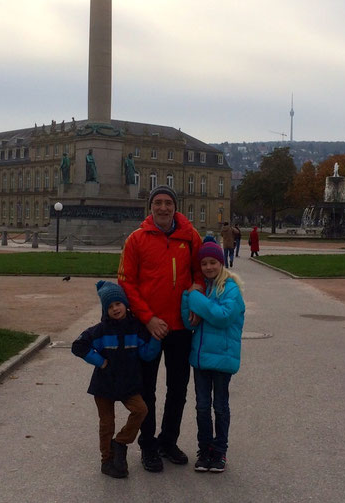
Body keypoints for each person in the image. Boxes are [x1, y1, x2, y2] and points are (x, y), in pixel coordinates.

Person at [118, 185, 203, 473]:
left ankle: (169, 441)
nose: (163, 208)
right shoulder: (136, 239)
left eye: (168, 202)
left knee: (178, 389)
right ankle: (148, 445)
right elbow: (127, 283)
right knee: (147, 391)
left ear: (175, 207)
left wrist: (196, 294)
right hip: (149, 327)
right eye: (158, 202)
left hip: (180, 327)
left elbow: (200, 272)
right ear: (150, 207)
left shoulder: (190, 237)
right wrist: (148, 318)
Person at [72, 280, 161, 479]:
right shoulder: (100, 330)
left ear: (125, 304)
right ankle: (107, 461)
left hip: (128, 383)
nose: (115, 309)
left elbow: (146, 355)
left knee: (141, 410)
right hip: (104, 384)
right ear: (105, 309)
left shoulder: (136, 328)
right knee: (106, 423)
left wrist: (156, 339)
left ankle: (120, 443)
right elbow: (78, 346)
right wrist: (100, 361)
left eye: (118, 304)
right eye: (110, 306)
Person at [181, 237, 245, 473]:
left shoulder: (230, 289)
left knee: (220, 406)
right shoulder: (203, 288)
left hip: (222, 358)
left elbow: (221, 316)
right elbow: (187, 322)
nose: (208, 267)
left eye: (213, 262)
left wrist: (194, 297)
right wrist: (189, 298)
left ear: (221, 263)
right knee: (201, 406)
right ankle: (205, 449)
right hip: (200, 359)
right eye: (204, 263)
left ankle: (220, 451)